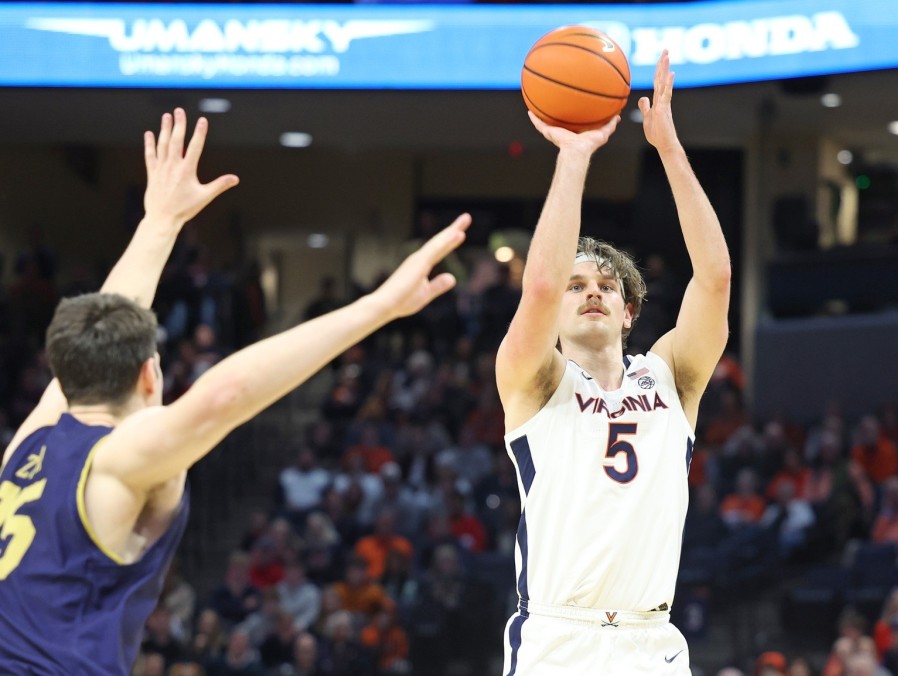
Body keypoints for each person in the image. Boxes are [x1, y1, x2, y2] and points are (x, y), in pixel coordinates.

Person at [0, 109, 470, 674]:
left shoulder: (27, 447)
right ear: (153, 376)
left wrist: (160, 222)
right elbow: (224, 395)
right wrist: (378, 307)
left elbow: (99, 328)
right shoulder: (116, 460)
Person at [495, 51, 731, 675]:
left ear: (629, 312)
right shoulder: (535, 381)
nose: (591, 292)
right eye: (577, 286)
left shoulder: (671, 376)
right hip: (557, 637)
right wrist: (573, 159)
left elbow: (715, 279)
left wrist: (670, 150)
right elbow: (538, 288)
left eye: (605, 286)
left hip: (651, 640)